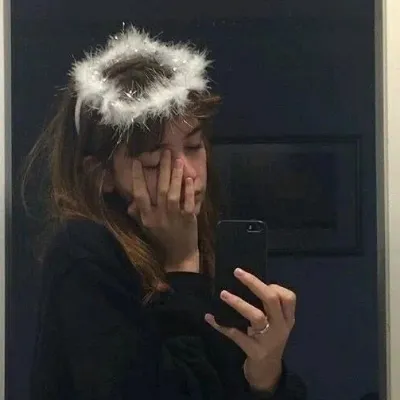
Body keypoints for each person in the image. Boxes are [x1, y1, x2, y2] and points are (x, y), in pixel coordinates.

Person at [25, 26, 307, 399]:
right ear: (101, 175)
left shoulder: (212, 250)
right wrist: (182, 265)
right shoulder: (83, 252)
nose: (186, 173)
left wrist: (266, 374)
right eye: (155, 161)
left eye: (194, 146)